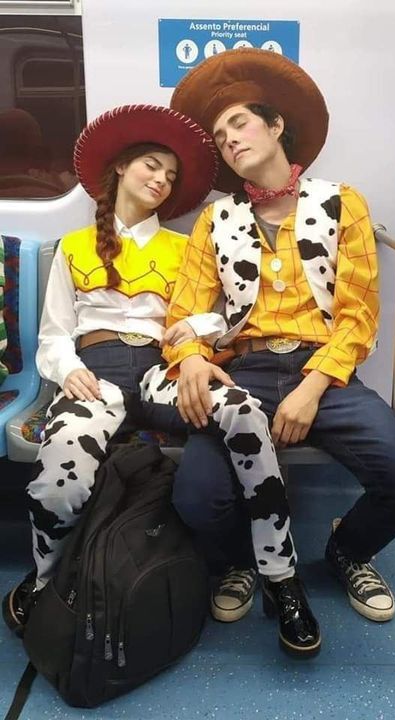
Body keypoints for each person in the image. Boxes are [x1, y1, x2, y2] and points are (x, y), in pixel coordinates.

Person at [141, 49, 395, 649]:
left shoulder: (341, 202)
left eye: (239, 125)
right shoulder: (214, 219)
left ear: (275, 126)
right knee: (195, 498)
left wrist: (311, 387)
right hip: (243, 372)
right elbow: (186, 313)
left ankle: (346, 548)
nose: (229, 141)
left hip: (321, 374)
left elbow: (358, 314)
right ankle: (240, 563)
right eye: (220, 137)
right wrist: (193, 357)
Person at [2, 103, 227, 636]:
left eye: (171, 176)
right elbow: (55, 332)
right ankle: (47, 580)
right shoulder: (76, 246)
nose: (161, 180)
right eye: (152, 165)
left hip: (159, 370)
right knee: (59, 481)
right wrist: (67, 368)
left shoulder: (183, 247)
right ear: (123, 167)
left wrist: (195, 331)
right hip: (95, 373)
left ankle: (240, 563)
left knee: (235, 414)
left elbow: (214, 311)